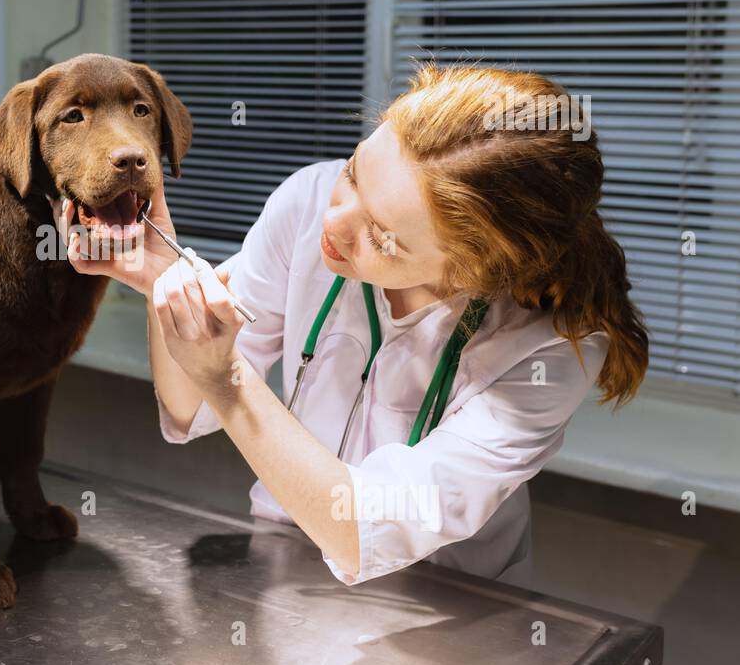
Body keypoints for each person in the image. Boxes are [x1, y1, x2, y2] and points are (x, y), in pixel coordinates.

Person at [61, 63, 649, 587]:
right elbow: (189, 409)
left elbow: (364, 527)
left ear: (480, 270)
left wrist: (230, 382)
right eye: (354, 173)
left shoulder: (549, 350)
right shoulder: (307, 203)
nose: (335, 226)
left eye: (384, 237)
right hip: (285, 571)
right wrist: (164, 278)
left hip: (452, 607)